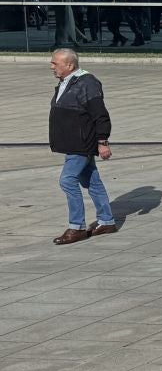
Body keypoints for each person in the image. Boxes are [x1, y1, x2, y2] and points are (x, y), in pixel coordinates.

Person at [48, 47, 116, 245]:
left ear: (70, 65)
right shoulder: (66, 81)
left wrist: (102, 141)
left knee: (67, 180)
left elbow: (101, 115)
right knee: (92, 181)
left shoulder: (88, 83)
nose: (51, 66)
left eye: (55, 63)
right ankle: (107, 221)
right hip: (72, 142)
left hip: (81, 143)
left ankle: (76, 227)